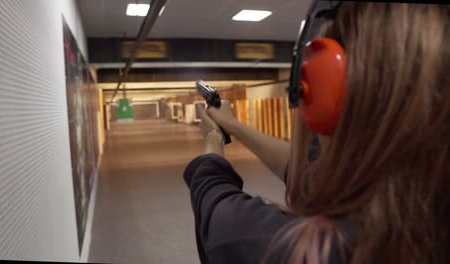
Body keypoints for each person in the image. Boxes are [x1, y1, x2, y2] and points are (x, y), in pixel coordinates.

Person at [183, 1, 450, 263]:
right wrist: (234, 126)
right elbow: (307, 171)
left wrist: (213, 138)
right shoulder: (421, 200)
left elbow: (218, 212)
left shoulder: (310, 250)